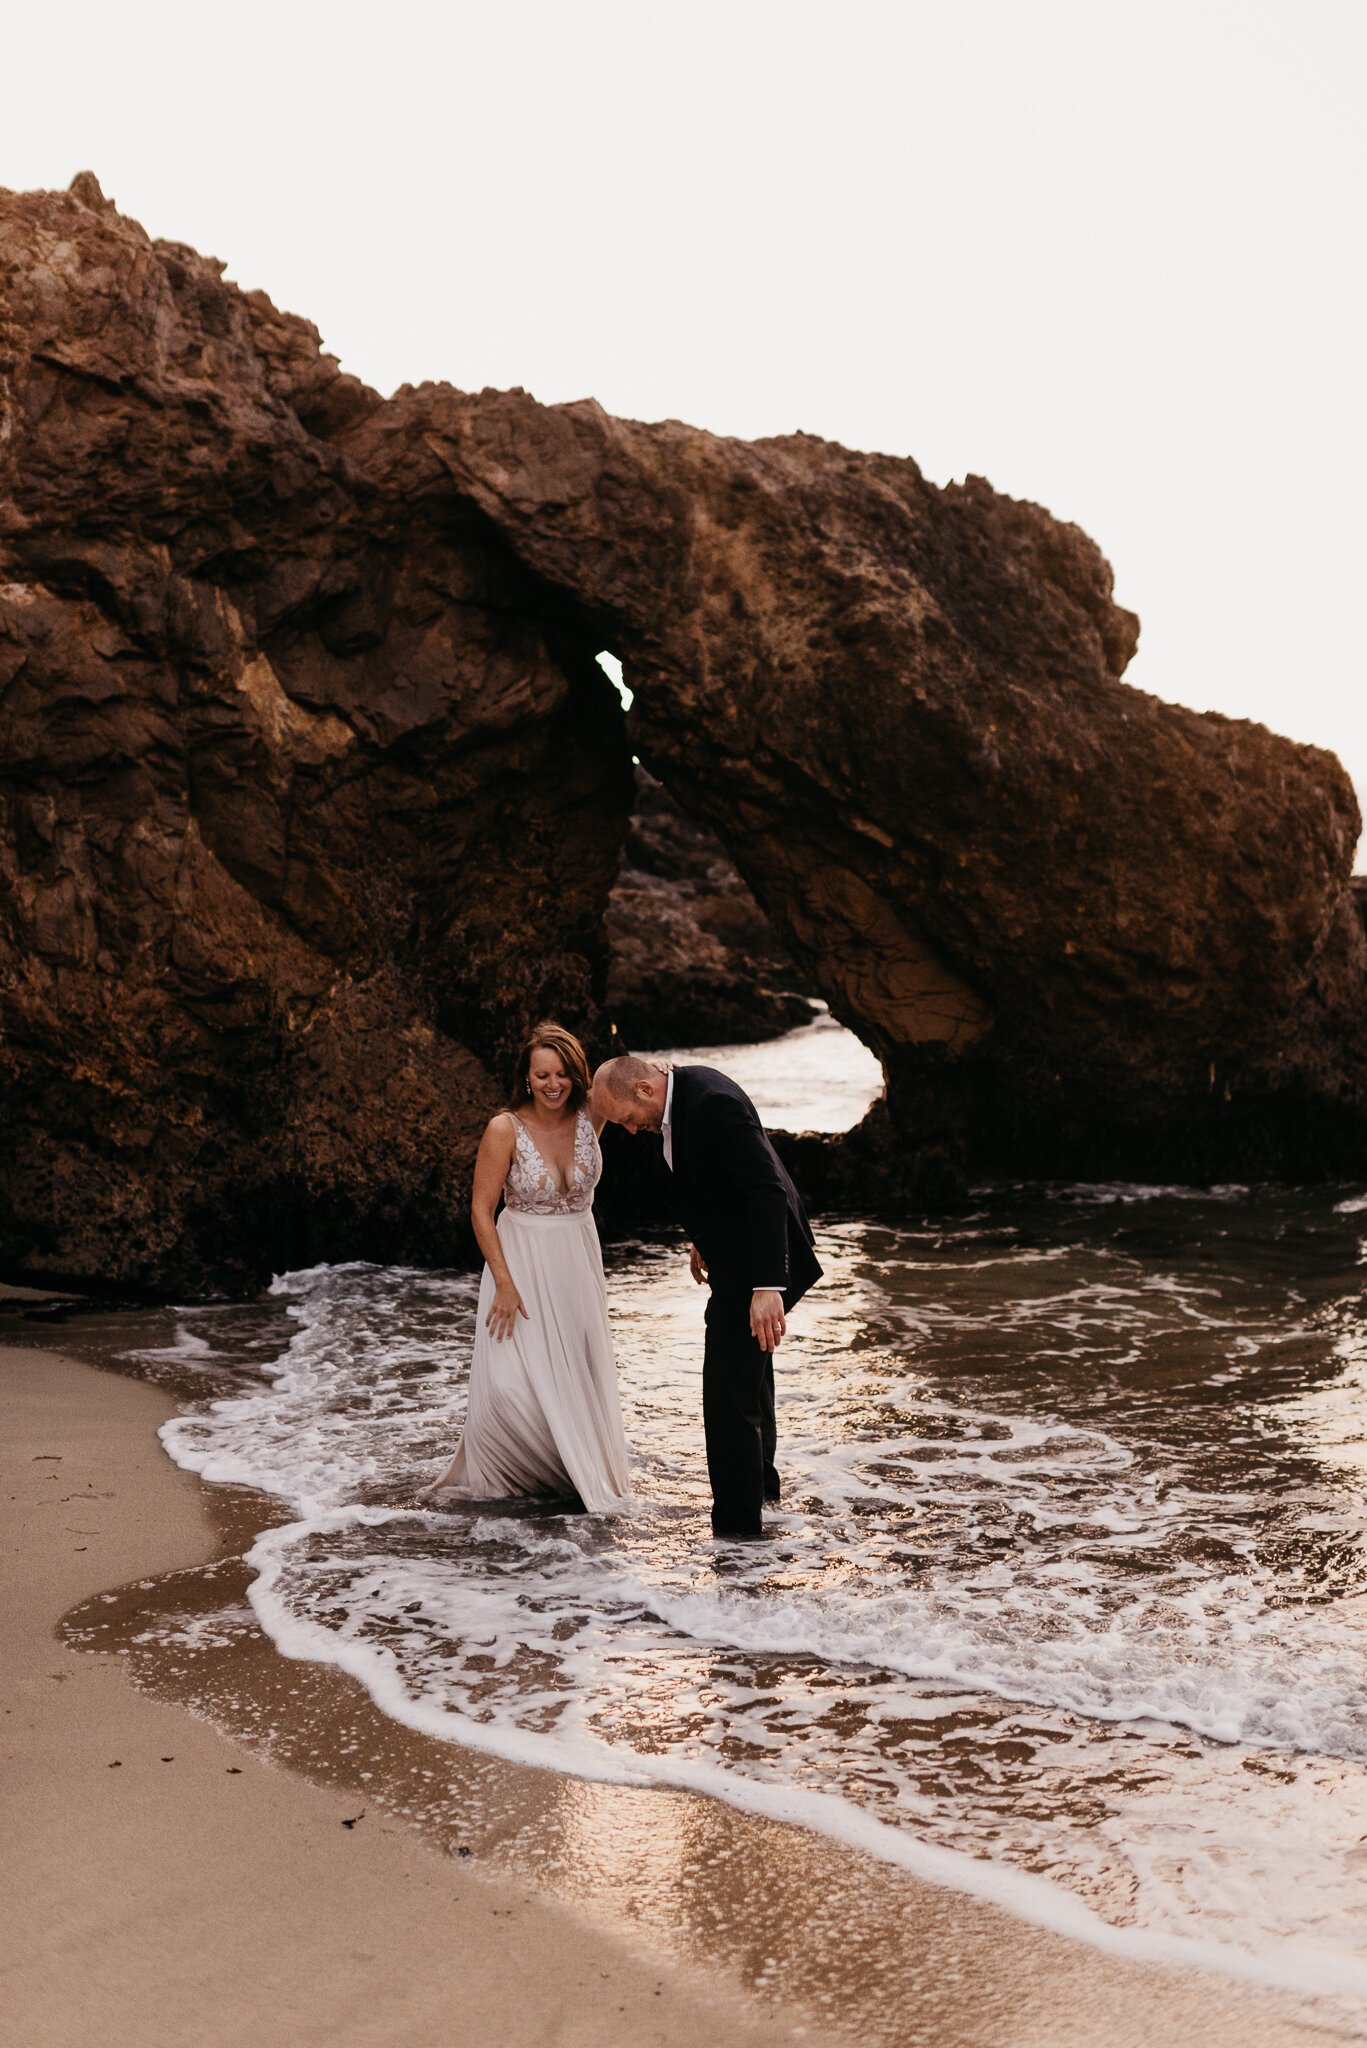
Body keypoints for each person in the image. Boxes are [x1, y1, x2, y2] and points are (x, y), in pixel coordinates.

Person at [591, 1055, 820, 1539]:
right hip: (737, 1252)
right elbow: (714, 1177)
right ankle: (761, 1497)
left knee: (726, 1400)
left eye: (627, 1119)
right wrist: (704, 1237)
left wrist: (766, 1287)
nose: (630, 1131)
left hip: (757, 1265)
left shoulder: (711, 1103)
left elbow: (765, 1190)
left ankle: (737, 1536)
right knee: (752, 1385)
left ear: (645, 1091)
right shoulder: (685, 1090)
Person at [429, 1023, 630, 1512]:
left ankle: (572, 1477)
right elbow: (481, 1210)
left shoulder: (589, 1115)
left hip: (578, 1262)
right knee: (508, 1386)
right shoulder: (505, 1128)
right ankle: (517, 1483)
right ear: (526, 1077)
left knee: (578, 1375)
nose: (553, 1084)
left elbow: (628, 1084)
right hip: (520, 1262)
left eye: (562, 1073)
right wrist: (504, 1282)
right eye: (542, 1075)